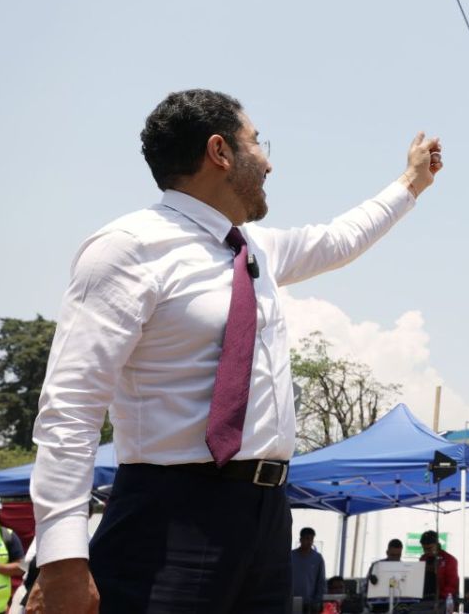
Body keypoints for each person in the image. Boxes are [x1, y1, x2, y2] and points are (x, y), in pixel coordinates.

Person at [27, 89, 443, 613]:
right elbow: (70, 409)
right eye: (257, 142)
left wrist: (412, 183)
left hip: (268, 519)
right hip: (167, 518)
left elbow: (341, 239)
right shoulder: (128, 249)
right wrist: (63, 561)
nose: (269, 161)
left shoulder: (256, 248)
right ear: (220, 152)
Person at [419, 530, 458, 606]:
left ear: (437, 545)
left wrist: (440, 597)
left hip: (441, 600)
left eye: (429, 548)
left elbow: (452, 585)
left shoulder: (449, 560)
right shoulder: (423, 559)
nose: (426, 552)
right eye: (424, 549)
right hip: (423, 599)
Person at [292, 527, 326, 613]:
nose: (309, 542)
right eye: (307, 538)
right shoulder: (290, 556)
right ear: (301, 539)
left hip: (310, 603)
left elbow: (321, 581)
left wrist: (318, 600)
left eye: (311, 539)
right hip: (291, 601)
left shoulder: (318, 558)